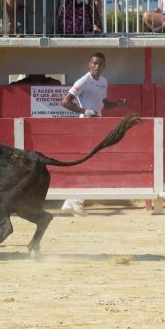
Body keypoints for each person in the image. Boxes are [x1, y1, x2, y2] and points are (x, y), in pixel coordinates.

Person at [59, 52, 127, 216]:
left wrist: (117, 104)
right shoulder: (83, 81)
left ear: (104, 66)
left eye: (101, 64)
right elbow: (65, 102)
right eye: (94, 63)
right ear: (89, 64)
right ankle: (75, 200)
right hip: (84, 126)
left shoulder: (103, 82)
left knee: (91, 163)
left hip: (97, 127)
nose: (97, 67)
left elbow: (103, 104)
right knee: (87, 163)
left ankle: (72, 200)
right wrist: (85, 111)